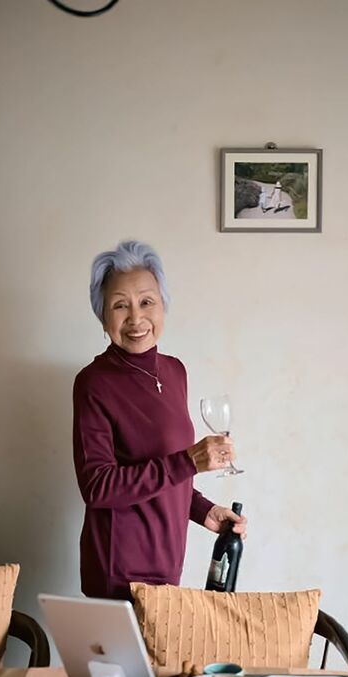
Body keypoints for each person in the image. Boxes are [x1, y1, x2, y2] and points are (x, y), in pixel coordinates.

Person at [73, 240, 247, 600]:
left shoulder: (174, 371)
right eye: (120, 305)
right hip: (118, 568)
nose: (135, 318)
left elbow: (166, 469)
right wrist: (189, 461)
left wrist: (204, 511)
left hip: (167, 561)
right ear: (102, 316)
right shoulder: (94, 382)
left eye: (146, 302)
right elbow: (97, 486)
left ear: (163, 305)